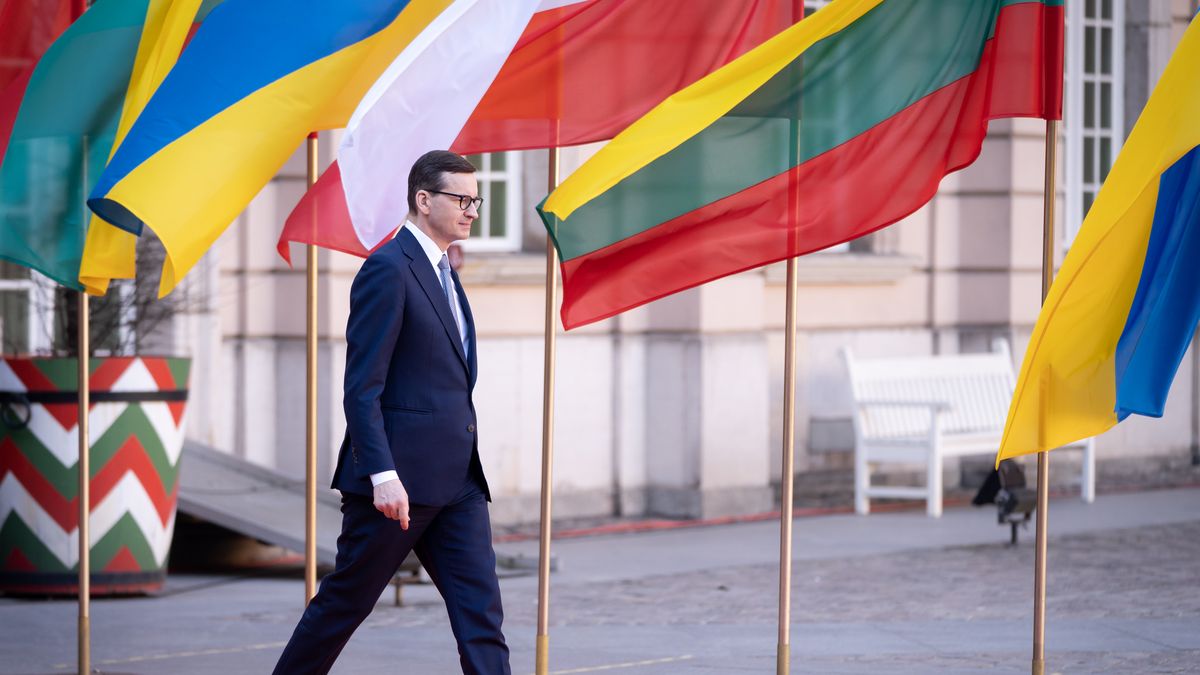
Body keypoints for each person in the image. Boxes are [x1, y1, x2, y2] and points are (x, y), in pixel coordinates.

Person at [273, 150, 509, 674]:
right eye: (461, 199)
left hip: (460, 481)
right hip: (397, 485)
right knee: (345, 604)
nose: (472, 210)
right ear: (424, 201)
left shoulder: (447, 271)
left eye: (477, 199)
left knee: (481, 614)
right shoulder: (388, 268)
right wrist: (382, 474)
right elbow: (362, 388)